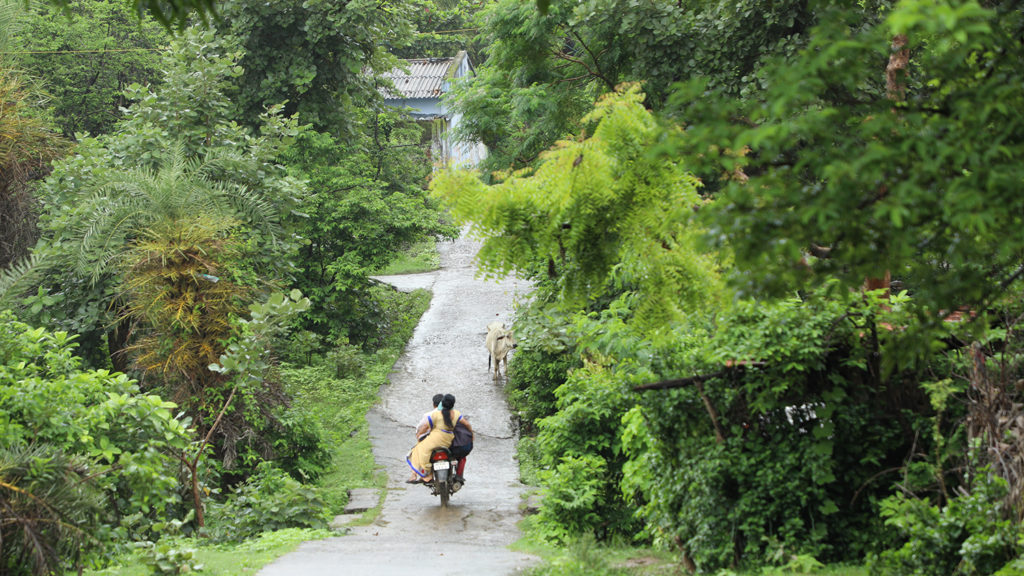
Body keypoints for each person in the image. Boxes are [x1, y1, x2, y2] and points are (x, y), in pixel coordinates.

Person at [406, 394, 461, 483]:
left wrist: (419, 434)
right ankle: (458, 475)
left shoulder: (431, 414)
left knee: (416, 451)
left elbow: (423, 427)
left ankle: (418, 474)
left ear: (434, 404)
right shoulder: (455, 414)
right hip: (449, 440)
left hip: (433, 440)